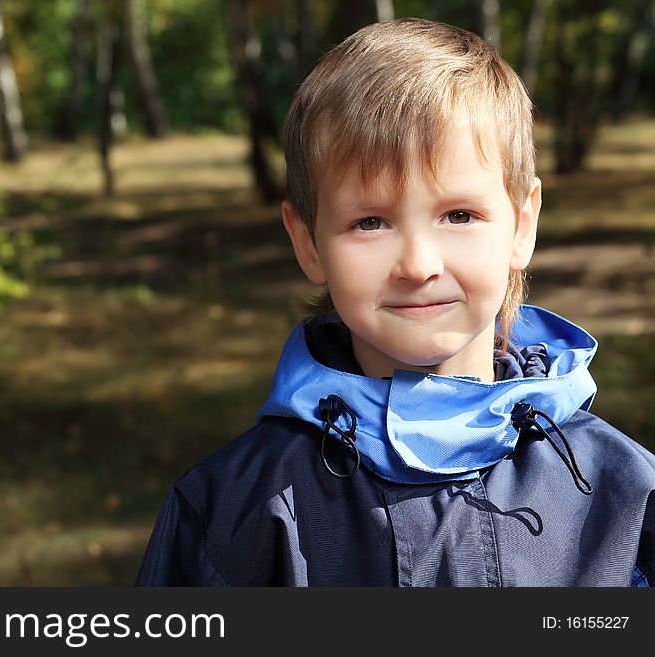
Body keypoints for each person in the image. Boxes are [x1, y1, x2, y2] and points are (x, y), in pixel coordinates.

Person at [135, 17, 655, 586]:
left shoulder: (625, 496)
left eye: (459, 215)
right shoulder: (234, 513)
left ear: (522, 225)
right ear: (307, 242)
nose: (418, 265)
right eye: (370, 222)